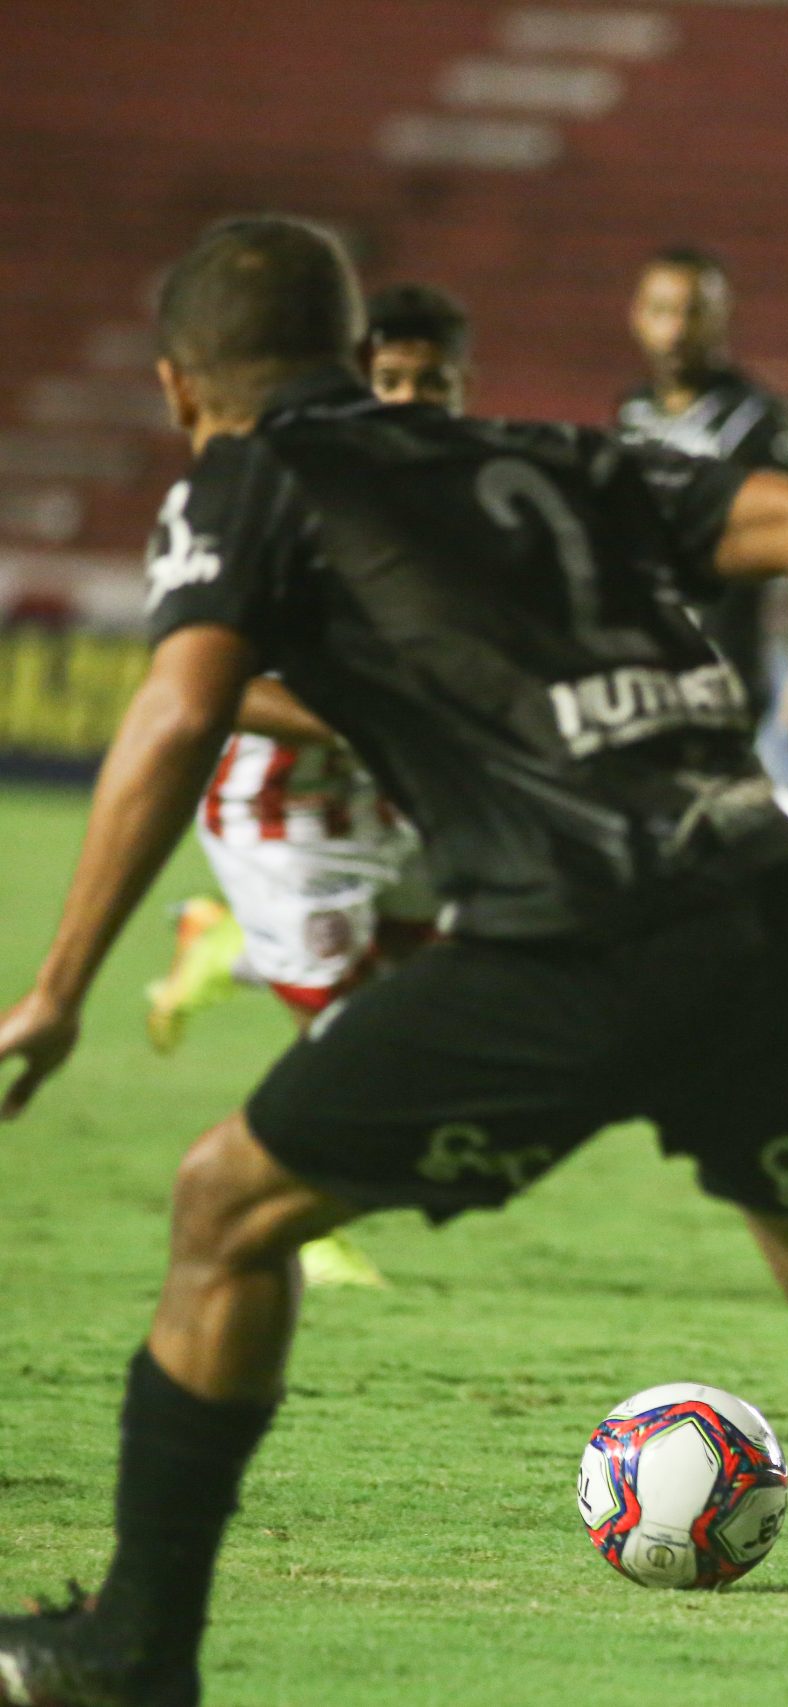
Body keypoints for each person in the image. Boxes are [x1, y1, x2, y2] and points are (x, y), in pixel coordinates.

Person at [0, 216, 788, 1707]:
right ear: (349, 356)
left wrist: (62, 986)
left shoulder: (244, 476)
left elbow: (176, 709)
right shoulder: (540, 449)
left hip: (571, 935)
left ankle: (137, 1644)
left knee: (223, 1206)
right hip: (765, 904)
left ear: (178, 389)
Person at [141, 283, 476, 1293]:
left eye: (433, 381)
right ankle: (298, 1211)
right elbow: (212, 685)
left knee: (440, 980)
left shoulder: (469, 501)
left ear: (465, 389)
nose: (411, 398)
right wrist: (355, 719)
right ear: (353, 382)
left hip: (387, 799)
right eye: (390, 379)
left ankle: (224, 942)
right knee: (350, 1033)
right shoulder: (280, 497)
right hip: (281, 814)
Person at [615, 246, 788, 740]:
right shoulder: (632, 413)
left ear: (721, 318)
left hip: (721, 673)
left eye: (693, 312)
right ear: (636, 316)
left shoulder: (760, 422)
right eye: (662, 311)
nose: (675, 330)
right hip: (635, 671)